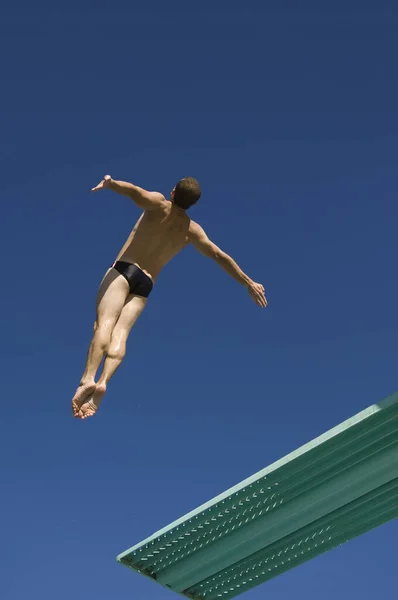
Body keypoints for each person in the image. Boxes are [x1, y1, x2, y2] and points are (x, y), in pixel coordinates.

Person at [72, 175, 267, 419]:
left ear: (173, 191)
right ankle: (103, 381)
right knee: (121, 334)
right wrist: (248, 282)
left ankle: (87, 379)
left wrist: (111, 184)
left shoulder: (160, 203)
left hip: (124, 270)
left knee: (104, 325)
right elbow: (218, 255)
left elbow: (135, 192)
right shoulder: (192, 230)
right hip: (146, 284)